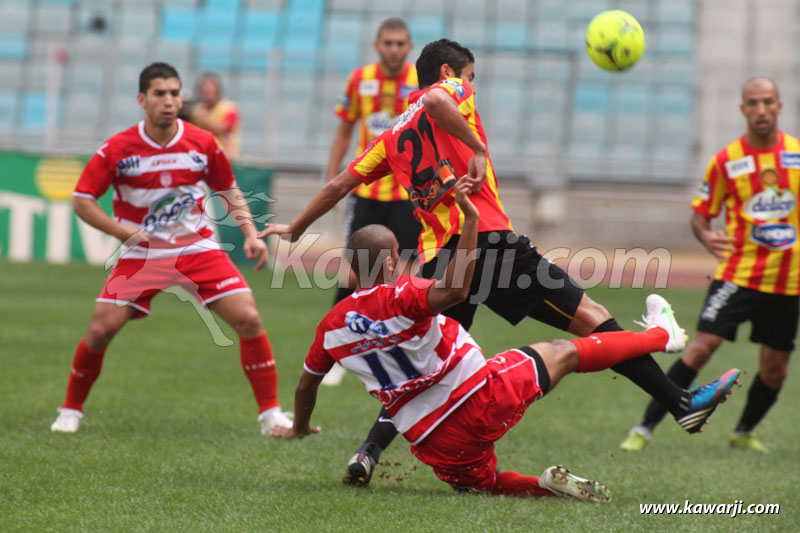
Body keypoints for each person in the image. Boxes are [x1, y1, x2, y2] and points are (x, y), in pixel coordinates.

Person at [259, 39, 738, 486]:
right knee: (594, 319)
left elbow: (340, 184)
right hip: (490, 243)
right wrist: (480, 148)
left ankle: (366, 453)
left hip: (444, 262)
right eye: (471, 78)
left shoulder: (390, 137)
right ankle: (680, 403)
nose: (474, 89)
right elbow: (435, 102)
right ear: (450, 72)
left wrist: (297, 228)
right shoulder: (449, 91)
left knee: (427, 364)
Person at [270, 177, 740, 499]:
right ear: (392, 263)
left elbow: (306, 386)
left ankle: (542, 486)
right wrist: (471, 219)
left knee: (483, 482)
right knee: (564, 351)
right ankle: (661, 334)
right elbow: (455, 288)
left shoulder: (330, 328)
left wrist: (298, 425)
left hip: (434, 445)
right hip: (482, 398)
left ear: (351, 268)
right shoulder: (405, 294)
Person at [50, 62, 292, 435]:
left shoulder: (202, 142)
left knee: (249, 318)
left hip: (198, 250)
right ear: (141, 99)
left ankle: (271, 415)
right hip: (143, 255)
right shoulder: (118, 148)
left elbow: (227, 189)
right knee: (101, 329)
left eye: (175, 93)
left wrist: (249, 233)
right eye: (160, 94)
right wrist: (122, 232)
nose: (169, 101)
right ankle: (70, 410)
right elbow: (82, 199)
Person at [619, 77, 798, 453]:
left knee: (774, 369)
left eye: (768, 102)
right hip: (739, 274)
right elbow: (700, 215)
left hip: (789, 283)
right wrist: (705, 236)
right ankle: (644, 428)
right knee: (701, 346)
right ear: (743, 109)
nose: (761, 110)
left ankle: (744, 431)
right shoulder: (727, 161)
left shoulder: (797, 157)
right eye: (753, 102)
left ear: (780, 106)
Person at [322, 17, 422, 386]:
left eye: (400, 43)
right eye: (388, 43)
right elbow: (344, 130)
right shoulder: (359, 80)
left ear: (409, 47)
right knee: (353, 273)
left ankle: (400, 355)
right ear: (377, 45)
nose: (394, 49)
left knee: (405, 276)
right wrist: (334, 179)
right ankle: (334, 354)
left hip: (409, 195)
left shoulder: (420, 82)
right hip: (366, 191)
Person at [191, 73, 241, 161]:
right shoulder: (198, 109)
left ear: (217, 90)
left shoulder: (229, 108)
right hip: (203, 157)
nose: (205, 93)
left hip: (225, 157)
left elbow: (222, 128)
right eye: (203, 90)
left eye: (209, 90)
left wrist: (201, 119)